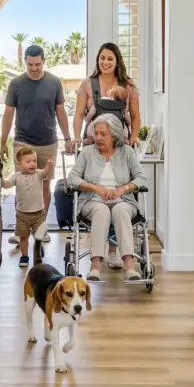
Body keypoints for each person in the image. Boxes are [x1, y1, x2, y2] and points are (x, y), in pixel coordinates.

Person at [68, 42, 142, 269]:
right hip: (92, 142)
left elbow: (136, 116)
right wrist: (77, 137)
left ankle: (113, 251)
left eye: (110, 58)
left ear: (117, 61)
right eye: (102, 58)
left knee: (118, 187)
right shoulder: (87, 84)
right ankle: (98, 257)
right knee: (98, 190)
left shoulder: (127, 85)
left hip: (119, 147)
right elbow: (79, 114)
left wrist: (134, 137)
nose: (105, 62)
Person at [1, 45, 72, 245]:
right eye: (30, 64)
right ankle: (20, 230)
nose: (34, 68)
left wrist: (67, 138)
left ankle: (41, 228)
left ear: (44, 61)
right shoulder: (16, 84)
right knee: (22, 185)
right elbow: (8, 114)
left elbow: (60, 112)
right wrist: (4, 141)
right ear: (25, 62)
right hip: (23, 140)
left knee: (44, 185)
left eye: (38, 64)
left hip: (48, 141)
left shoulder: (54, 82)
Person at [67, 114, 148, 282]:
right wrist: (95, 187)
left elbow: (141, 178)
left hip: (123, 201)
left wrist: (122, 190)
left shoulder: (127, 152)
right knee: (102, 210)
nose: (98, 138)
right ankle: (95, 267)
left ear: (115, 135)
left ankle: (130, 266)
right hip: (92, 201)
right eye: (96, 133)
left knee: (120, 210)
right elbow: (72, 178)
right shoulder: (87, 153)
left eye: (103, 134)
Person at [2, 147, 55, 267]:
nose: (33, 164)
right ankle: (24, 256)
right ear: (19, 164)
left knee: (39, 235)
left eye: (34, 161)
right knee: (23, 237)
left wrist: (50, 165)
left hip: (38, 213)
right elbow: (6, 185)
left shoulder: (38, 174)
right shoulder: (16, 176)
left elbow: (46, 172)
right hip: (22, 214)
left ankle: (38, 248)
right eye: (28, 161)